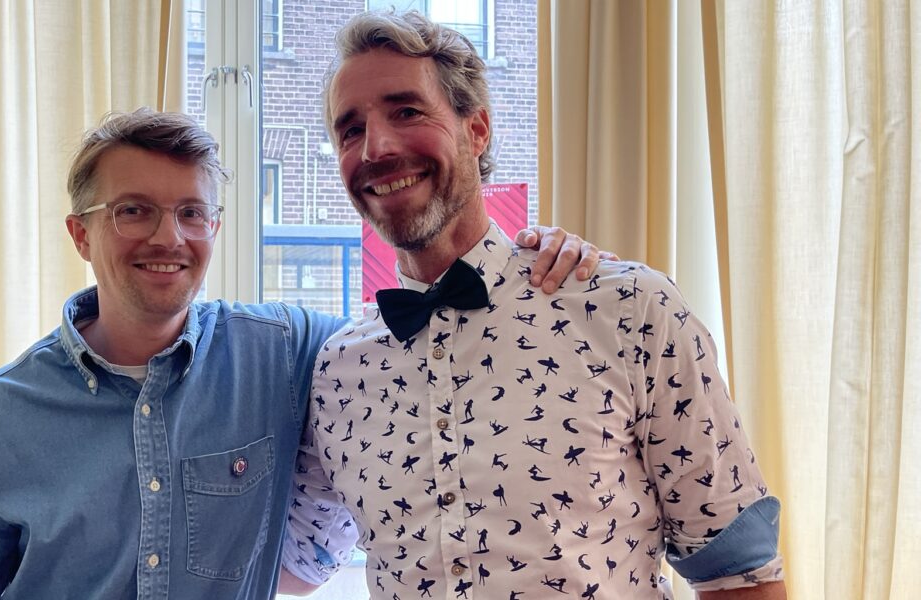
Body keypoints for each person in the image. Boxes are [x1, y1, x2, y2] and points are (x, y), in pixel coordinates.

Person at [0, 108, 603, 599]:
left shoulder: (288, 352)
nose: (169, 238)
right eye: (133, 210)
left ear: (214, 227)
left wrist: (530, 262)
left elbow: (425, 337)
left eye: (192, 212)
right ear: (80, 234)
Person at [299, 10, 785, 600]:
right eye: (351, 130)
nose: (376, 146)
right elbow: (295, 563)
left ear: (477, 130)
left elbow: (740, 573)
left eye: (406, 111)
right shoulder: (335, 371)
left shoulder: (629, 311)